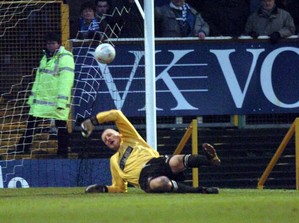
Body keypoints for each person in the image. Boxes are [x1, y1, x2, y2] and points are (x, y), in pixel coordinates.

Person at [80, 109, 221, 194]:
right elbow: (119, 188)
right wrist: (104, 189)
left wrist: (94, 121)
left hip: (156, 162)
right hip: (144, 178)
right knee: (162, 183)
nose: (108, 139)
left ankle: (211, 160)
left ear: (119, 134)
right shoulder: (114, 161)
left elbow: (116, 114)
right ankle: (200, 190)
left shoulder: (130, 137)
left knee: (177, 160)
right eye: (105, 140)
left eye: (109, 135)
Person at [11, 32, 75, 157]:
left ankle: (63, 153)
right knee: (31, 125)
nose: (50, 46)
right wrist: (32, 99)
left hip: (56, 102)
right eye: (49, 44)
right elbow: (38, 81)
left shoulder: (66, 58)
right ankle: (22, 148)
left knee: (61, 127)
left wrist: (61, 102)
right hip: (41, 101)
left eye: (53, 43)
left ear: (59, 44)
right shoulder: (45, 57)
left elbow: (66, 81)